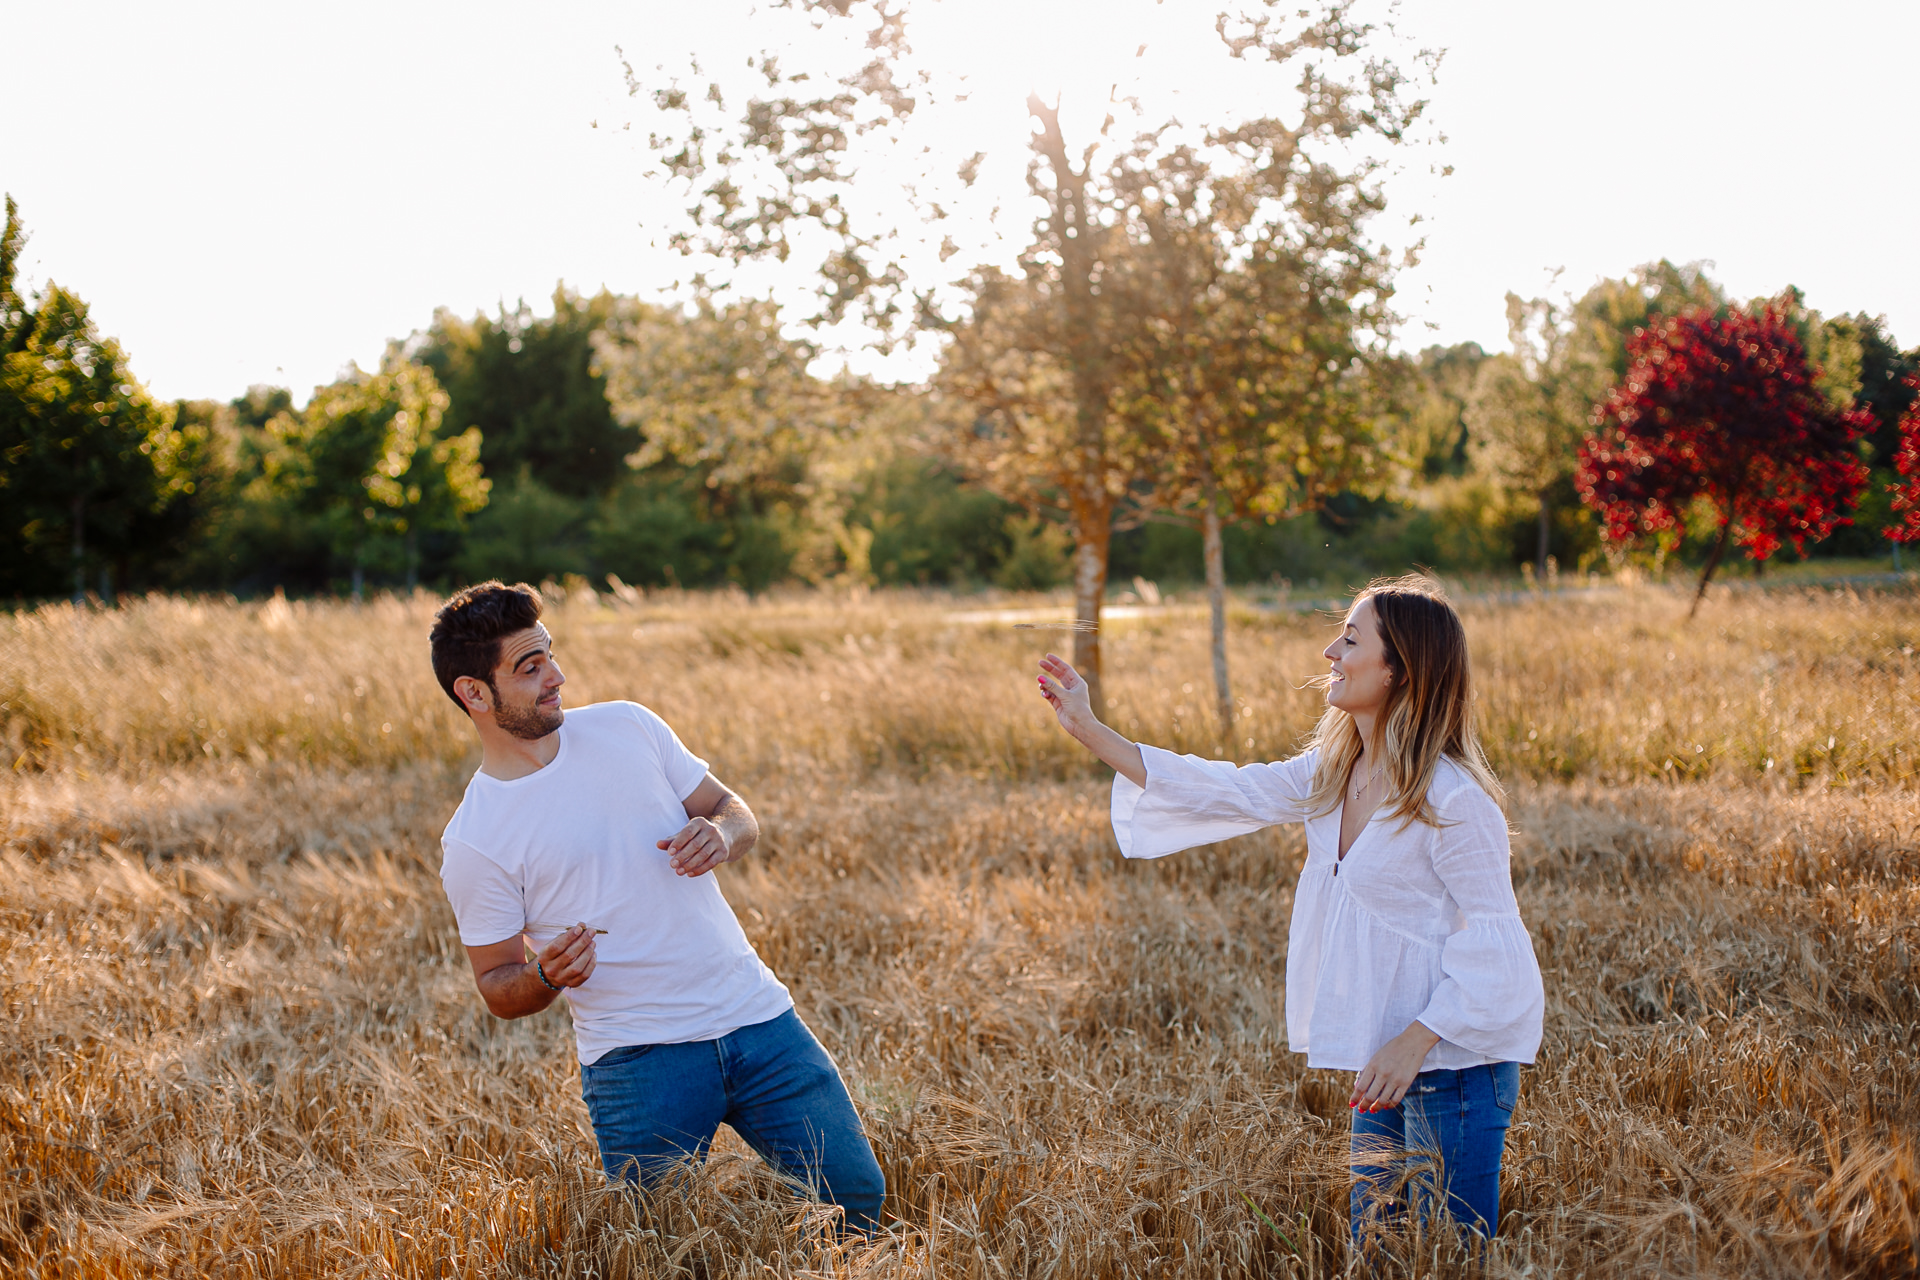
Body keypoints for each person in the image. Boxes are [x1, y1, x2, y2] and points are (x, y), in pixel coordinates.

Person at [1035, 575, 1544, 1246]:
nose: (1331, 651)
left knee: (1446, 1256)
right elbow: (1225, 789)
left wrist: (1413, 1041)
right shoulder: (1333, 775)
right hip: (1382, 1063)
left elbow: (1497, 949)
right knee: (1377, 1250)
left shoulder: (1454, 801)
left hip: (1452, 1072)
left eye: (1352, 638)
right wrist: (1088, 728)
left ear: (1400, 671)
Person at [428, 580, 885, 1231]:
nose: (556, 676)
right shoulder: (476, 838)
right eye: (530, 669)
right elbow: (498, 988)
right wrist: (546, 975)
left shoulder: (628, 726)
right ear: (473, 693)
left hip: (760, 1021)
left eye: (550, 655)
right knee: (653, 1244)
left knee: (857, 1202)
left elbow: (735, 812)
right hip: (639, 1062)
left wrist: (721, 833)